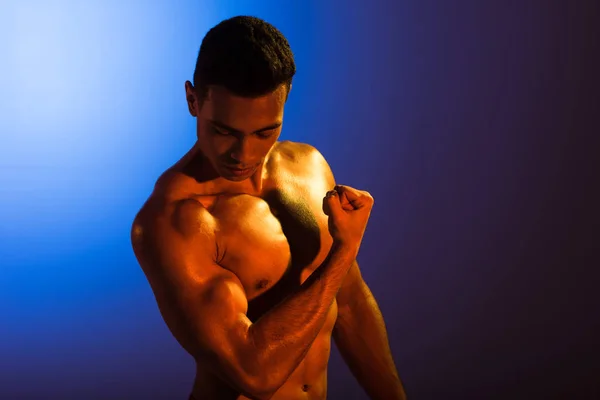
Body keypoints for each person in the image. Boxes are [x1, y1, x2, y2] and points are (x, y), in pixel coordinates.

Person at [131, 15, 406, 400]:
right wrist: (345, 251)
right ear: (194, 100)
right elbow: (254, 373)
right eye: (224, 131)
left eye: (265, 132)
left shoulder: (309, 167)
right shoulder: (174, 220)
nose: (243, 154)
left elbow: (350, 305)